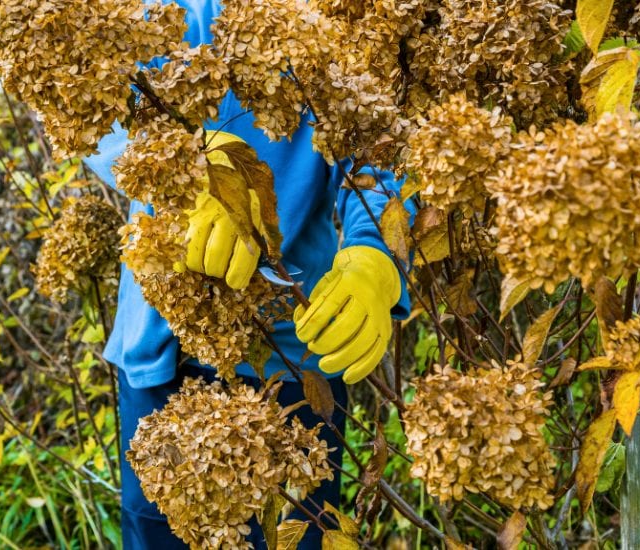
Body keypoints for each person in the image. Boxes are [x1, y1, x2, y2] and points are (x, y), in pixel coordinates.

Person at [84, 2, 416, 547]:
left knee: (296, 532)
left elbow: (381, 150)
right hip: (162, 346)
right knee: (159, 530)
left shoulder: (346, 18)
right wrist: (183, 182)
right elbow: (98, 104)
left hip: (294, 352)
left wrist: (374, 261)